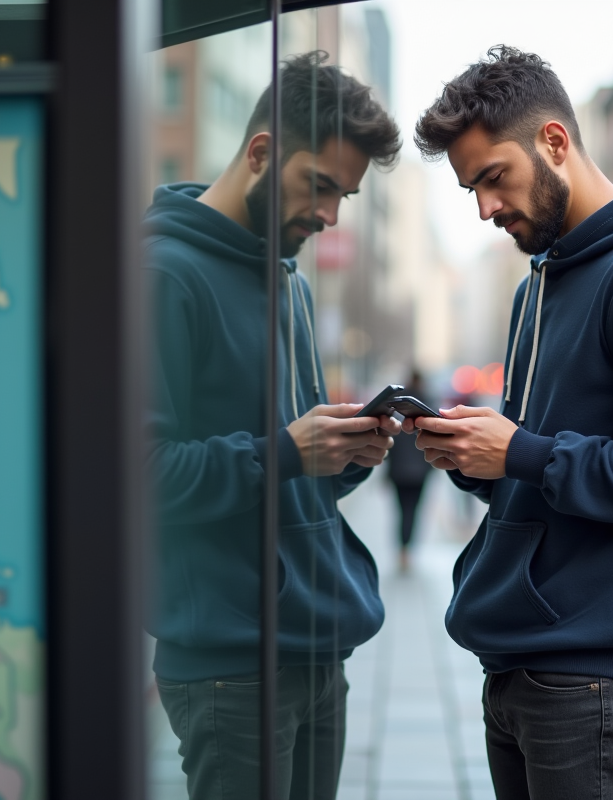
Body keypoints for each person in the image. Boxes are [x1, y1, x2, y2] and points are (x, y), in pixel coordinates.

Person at [409, 47, 613, 800]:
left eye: (494, 177)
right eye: (470, 189)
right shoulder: (540, 283)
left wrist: (521, 451)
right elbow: (550, 468)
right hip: (521, 656)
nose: (484, 208)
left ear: (554, 143)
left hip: (593, 677)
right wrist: (477, 456)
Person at [144, 52, 403, 800]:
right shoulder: (164, 275)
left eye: (344, 196)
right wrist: (288, 453)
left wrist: (348, 452)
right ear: (261, 152)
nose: (328, 215)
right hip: (231, 663)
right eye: (318, 186)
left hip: (318, 645)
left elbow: (285, 465)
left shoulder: (285, 275)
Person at [385, 371, 433, 573]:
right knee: (414, 510)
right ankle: (408, 550)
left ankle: (402, 550)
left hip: (399, 473)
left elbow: (391, 447)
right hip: (420, 472)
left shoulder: (397, 411)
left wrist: (387, 473)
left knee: (401, 510)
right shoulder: (429, 408)